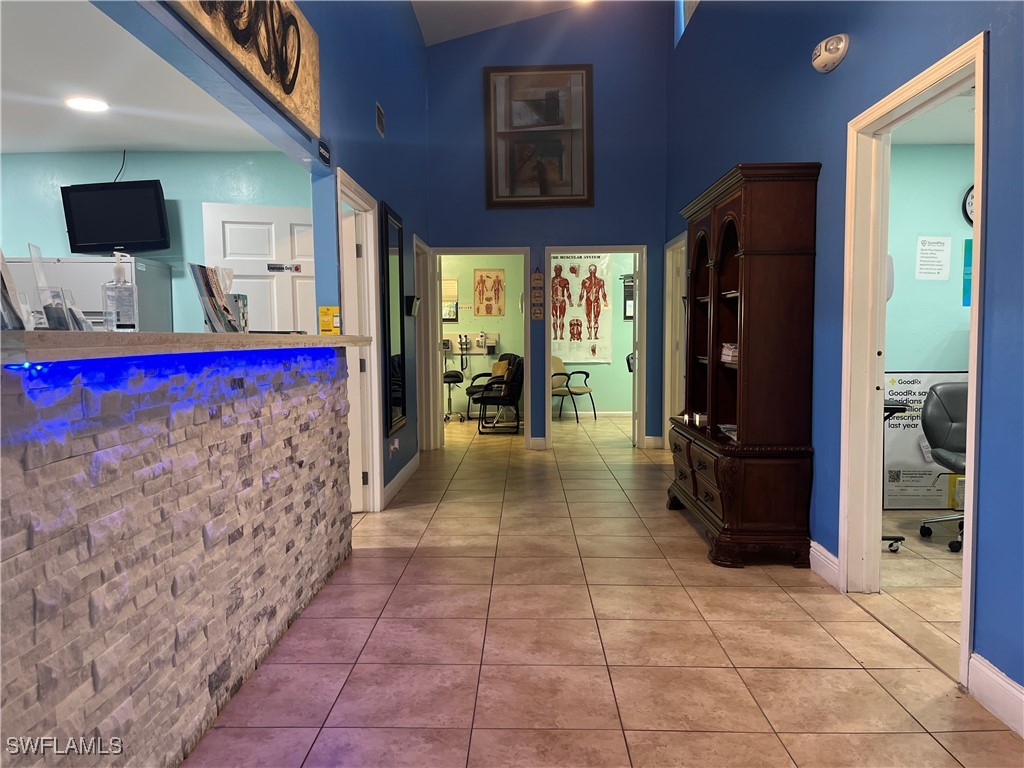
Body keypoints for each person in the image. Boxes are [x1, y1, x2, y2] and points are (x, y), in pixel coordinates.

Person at [579, 263, 608, 340]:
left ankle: (595, 335)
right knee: (588, 319)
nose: (592, 271)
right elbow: (582, 293)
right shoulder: (585, 281)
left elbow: (603, 292)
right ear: (589, 270)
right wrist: (580, 301)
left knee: (596, 318)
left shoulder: (600, 281)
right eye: (591, 270)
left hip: (596, 301)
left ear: (596, 270)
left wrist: (605, 301)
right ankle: (589, 335)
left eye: (594, 270)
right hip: (588, 301)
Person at [550, 264, 573, 340]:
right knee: (554, 318)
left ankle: (561, 335)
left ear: (561, 270)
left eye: (559, 270)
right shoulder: (551, 280)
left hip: (562, 300)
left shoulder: (565, 280)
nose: (558, 271)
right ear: (554, 270)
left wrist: (570, 301)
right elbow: (548, 291)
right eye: (556, 270)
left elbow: (568, 292)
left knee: (561, 318)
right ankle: (555, 335)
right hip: (554, 300)